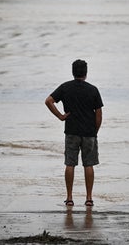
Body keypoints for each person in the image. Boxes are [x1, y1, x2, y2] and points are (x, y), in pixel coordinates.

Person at [45, 59, 103, 207]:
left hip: (71, 131)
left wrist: (60, 116)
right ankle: (89, 198)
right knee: (88, 165)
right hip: (89, 133)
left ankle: (69, 198)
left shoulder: (65, 88)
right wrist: (94, 131)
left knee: (70, 164)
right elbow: (99, 114)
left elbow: (48, 101)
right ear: (86, 73)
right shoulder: (93, 90)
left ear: (73, 72)